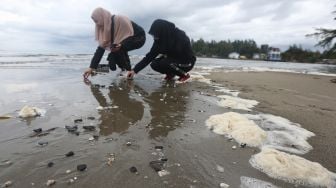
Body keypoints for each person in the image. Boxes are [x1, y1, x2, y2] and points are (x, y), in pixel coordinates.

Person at [83, 7, 146, 79]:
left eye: (97, 21)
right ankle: (123, 69)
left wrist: (122, 45)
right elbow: (100, 48)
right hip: (122, 43)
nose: (97, 24)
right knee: (113, 58)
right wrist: (91, 67)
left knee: (117, 50)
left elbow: (127, 37)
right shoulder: (105, 28)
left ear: (102, 17)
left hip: (138, 37)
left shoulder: (119, 19)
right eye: (95, 22)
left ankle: (128, 70)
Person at [127, 19, 196, 82]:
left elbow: (186, 55)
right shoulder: (159, 40)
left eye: (156, 34)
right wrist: (134, 71)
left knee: (166, 62)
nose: (155, 37)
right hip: (172, 61)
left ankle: (184, 75)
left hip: (187, 62)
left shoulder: (180, 35)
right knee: (154, 64)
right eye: (154, 35)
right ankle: (171, 74)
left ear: (162, 31)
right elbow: (149, 57)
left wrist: (167, 56)